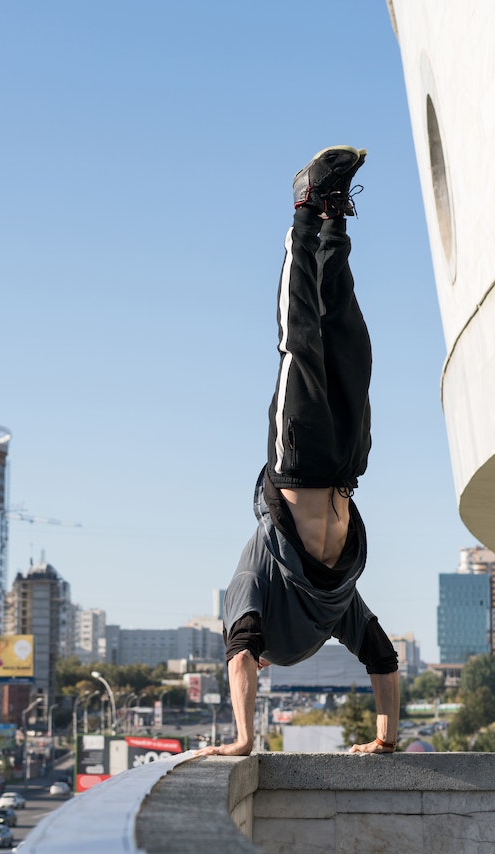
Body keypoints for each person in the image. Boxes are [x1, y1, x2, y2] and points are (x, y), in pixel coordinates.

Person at [196, 146, 400, 758]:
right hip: (345, 469)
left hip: (297, 459)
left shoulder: (250, 579)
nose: (254, 649)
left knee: (300, 342)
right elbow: (382, 656)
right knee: (350, 345)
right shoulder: (333, 609)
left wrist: (243, 737)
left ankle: (305, 209)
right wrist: (386, 739)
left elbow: (239, 654)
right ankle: (336, 217)